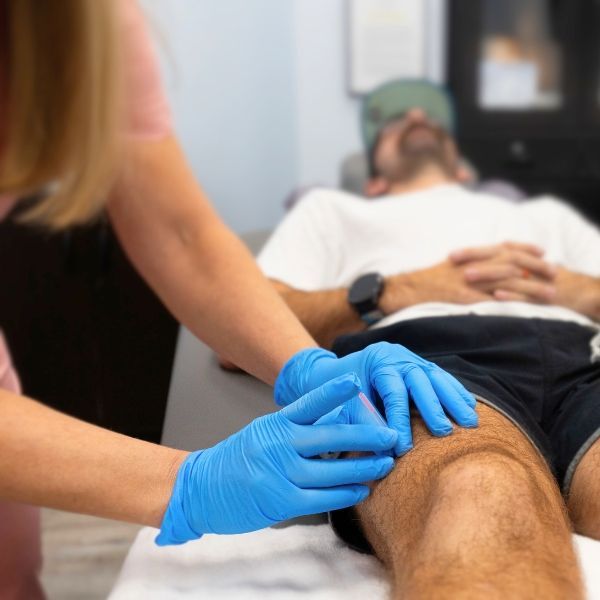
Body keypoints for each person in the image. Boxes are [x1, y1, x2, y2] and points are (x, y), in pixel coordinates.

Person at [0, 6, 477, 600]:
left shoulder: (88, 27)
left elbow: (182, 236)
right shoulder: (330, 210)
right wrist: (184, 483)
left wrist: (308, 365)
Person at [257, 80, 600, 598]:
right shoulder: (330, 212)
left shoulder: (545, 217)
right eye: (395, 121)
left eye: (430, 115)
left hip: (587, 360)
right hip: (427, 360)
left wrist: (585, 291)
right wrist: (393, 290)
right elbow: (248, 326)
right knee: (480, 488)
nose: (416, 113)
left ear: (465, 170)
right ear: (373, 179)